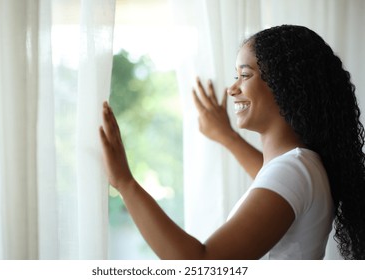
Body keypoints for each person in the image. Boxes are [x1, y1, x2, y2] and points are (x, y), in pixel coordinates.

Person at [99, 24, 365, 259]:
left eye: (245, 75)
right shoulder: (302, 165)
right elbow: (268, 179)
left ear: (285, 85)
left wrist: (125, 183)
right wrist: (225, 136)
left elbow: (202, 263)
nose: (232, 88)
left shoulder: (294, 169)